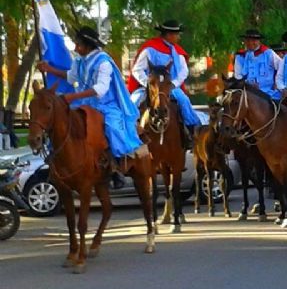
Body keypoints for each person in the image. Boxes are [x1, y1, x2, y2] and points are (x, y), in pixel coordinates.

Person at [38, 26, 141, 189]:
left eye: (79, 45)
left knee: (111, 128)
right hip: (83, 103)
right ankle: (56, 157)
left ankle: (116, 167)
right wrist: (49, 69)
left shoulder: (103, 62)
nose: (76, 48)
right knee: (60, 121)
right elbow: (71, 78)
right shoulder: (79, 60)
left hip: (105, 105)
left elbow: (100, 89)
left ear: (88, 45)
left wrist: (73, 96)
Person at [127, 20, 201, 149]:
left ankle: (190, 131)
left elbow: (184, 71)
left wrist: (173, 84)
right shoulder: (150, 49)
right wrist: (148, 84)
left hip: (170, 87)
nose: (178, 37)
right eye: (176, 34)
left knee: (184, 101)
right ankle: (129, 133)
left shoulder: (178, 51)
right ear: (168, 34)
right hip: (150, 87)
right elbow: (137, 69)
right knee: (132, 102)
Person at [233, 29, 284, 100]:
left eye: (253, 40)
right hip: (247, 93)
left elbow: (282, 68)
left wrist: (277, 83)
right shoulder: (240, 56)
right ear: (244, 41)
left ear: (259, 41)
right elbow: (238, 76)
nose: (250, 43)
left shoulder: (268, 53)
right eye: (248, 40)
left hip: (268, 94)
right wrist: (249, 84)